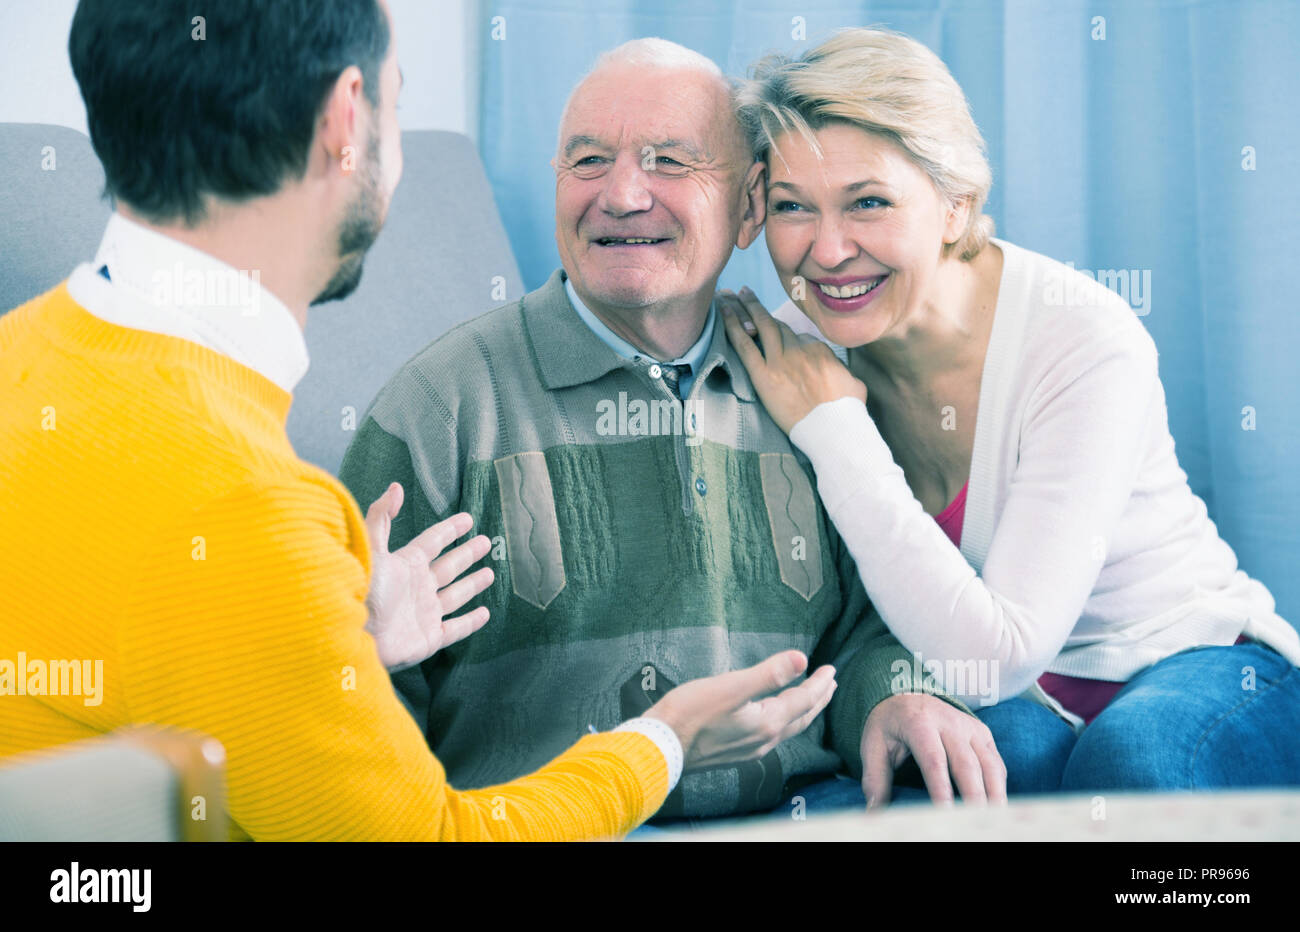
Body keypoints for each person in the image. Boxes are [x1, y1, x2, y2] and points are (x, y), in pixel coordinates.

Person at [0, 0, 845, 842]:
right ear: (344, 119)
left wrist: (343, 643)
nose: (623, 193)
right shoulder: (247, 513)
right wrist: (664, 741)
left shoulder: (19, 359)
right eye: (397, 105)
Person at [339, 37, 1005, 824]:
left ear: (751, 205)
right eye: (588, 161)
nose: (621, 195)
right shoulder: (441, 410)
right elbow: (351, 702)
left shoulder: (806, 395)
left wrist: (897, 701)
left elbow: (867, 631)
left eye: (668, 161)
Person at [718, 26, 1300, 795]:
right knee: (961, 775)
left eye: (868, 202)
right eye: (794, 208)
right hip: (1023, 697)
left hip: (1195, 660)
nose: (826, 252)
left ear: (955, 205)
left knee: (1134, 760)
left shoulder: (1082, 337)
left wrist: (835, 428)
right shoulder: (792, 351)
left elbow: (997, 652)